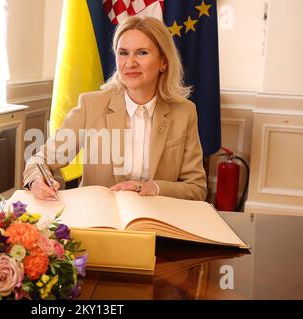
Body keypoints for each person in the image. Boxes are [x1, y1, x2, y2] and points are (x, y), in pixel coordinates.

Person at [23, 16, 207, 201]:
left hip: (157, 219)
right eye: (123, 53)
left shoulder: (184, 112)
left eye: (142, 53)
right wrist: (37, 180)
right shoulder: (91, 105)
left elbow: (196, 188)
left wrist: (154, 188)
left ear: (163, 62)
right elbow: (39, 160)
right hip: (101, 219)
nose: (130, 63)